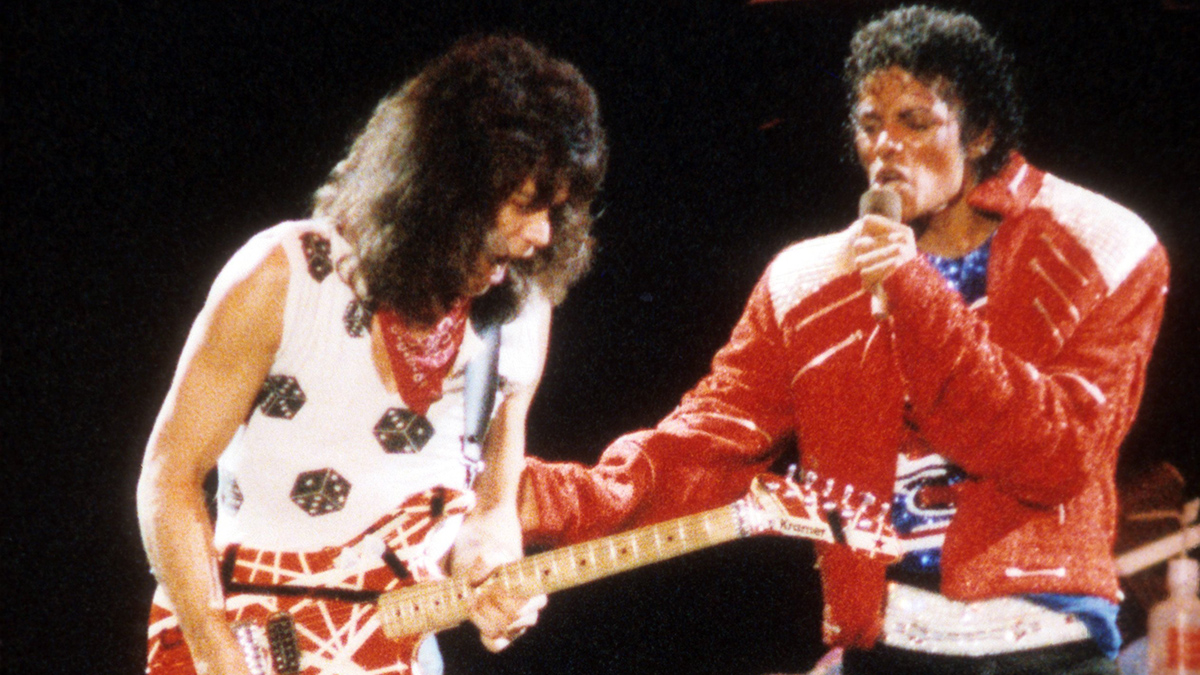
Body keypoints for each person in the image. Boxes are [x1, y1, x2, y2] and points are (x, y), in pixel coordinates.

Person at [518, 6, 1168, 674]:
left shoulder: (1102, 242)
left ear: (982, 132)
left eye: (915, 121)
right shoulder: (808, 280)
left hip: (1050, 647)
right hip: (889, 645)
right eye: (869, 125)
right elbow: (700, 448)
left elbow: (1054, 457)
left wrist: (913, 291)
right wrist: (533, 496)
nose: (886, 146)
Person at [136, 35, 607, 675]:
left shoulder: (520, 318)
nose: (542, 236)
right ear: (448, 190)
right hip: (244, 642)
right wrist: (219, 658)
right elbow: (168, 477)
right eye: (526, 205)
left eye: (555, 210)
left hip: (398, 650)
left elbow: (492, 508)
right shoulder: (286, 275)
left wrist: (490, 570)